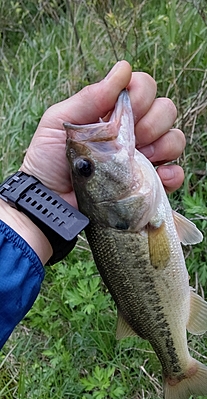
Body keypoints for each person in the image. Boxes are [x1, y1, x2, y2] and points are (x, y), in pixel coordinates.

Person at [0, 60, 186, 350]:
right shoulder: (139, 218)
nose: (83, 160)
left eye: (83, 168)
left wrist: (30, 213)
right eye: (85, 167)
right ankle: (179, 368)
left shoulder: (136, 216)